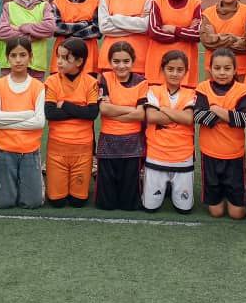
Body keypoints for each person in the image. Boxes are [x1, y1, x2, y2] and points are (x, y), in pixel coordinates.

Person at [193, 48, 246, 220]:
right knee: (216, 213)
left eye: (227, 68)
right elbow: (198, 116)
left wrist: (215, 109)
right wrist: (230, 116)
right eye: (217, 68)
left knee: (237, 214)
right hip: (210, 154)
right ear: (210, 69)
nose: (222, 72)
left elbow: (245, 119)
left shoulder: (243, 90)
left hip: (234, 155)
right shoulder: (203, 88)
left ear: (235, 70)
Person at [0, 37, 46, 209]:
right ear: (7, 58)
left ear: (30, 57)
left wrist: (6, 123)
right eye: (13, 55)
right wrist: (27, 114)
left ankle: (33, 183)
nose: (18, 60)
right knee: (3, 203)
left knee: (33, 203)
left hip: (30, 151)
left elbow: (39, 122)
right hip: (5, 150)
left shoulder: (38, 86)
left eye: (23, 55)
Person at [44, 38, 99, 207]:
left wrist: (65, 105)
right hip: (57, 149)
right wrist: (80, 111)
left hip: (82, 149)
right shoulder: (52, 81)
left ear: (79, 61)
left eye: (65, 58)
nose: (59, 62)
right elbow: (50, 113)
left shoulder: (91, 83)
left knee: (78, 202)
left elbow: (92, 113)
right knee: (57, 202)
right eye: (58, 57)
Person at [142, 51, 196, 213]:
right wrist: (178, 115)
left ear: (186, 72)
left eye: (180, 70)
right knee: (150, 208)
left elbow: (188, 118)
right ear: (162, 69)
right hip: (156, 155)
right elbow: (152, 116)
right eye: (170, 69)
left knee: (184, 210)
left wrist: (163, 109)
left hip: (182, 157)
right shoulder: (153, 90)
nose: (174, 73)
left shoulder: (191, 93)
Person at [96, 42, 148, 211]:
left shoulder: (141, 82)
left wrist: (115, 111)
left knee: (128, 204)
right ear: (110, 62)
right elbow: (104, 109)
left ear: (133, 61)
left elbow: (141, 115)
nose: (121, 66)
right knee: (106, 204)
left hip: (132, 143)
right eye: (116, 61)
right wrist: (131, 110)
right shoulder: (105, 78)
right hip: (108, 141)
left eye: (126, 61)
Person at [145, 0, 201, 87]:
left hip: (185, 68)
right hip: (158, 66)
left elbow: (197, 34)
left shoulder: (195, 4)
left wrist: (174, 29)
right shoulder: (157, 3)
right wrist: (185, 32)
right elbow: (154, 32)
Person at [98, 0, 154, 75]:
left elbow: (146, 26)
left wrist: (115, 18)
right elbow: (104, 27)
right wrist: (136, 25)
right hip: (109, 62)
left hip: (139, 62)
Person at [0, 0, 56, 80]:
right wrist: (35, 35)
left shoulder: (44, 6)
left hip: (36, 66)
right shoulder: (8, 7)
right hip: (10, 66)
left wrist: (22, 27)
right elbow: (2, 32)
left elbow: (50, 28)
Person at [50, 0, 101, 76]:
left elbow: (96, 30)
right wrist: (85, 24)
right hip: (62, 59)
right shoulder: (58, 2)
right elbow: (55, 28)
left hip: (88, 60)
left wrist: (67, 31)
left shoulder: (95, 2)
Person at [200, 0, 246, 82]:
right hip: (213, 71)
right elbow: (207, 42)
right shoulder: (208, 13)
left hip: (241, 71)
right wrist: (236, 39)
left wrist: (216, 38)